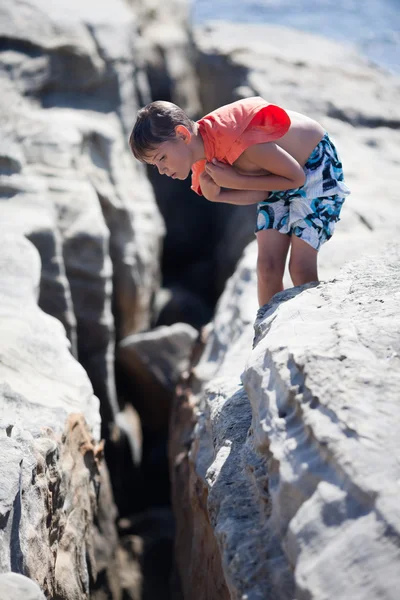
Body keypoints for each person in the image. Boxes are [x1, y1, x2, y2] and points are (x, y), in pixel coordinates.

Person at [129, 96, 350, 307]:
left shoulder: (237, 138)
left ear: (182, 135)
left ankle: (312, 326)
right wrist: (218, 195)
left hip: (314, 167)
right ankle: (268, 334)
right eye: (155, 165)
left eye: (161, 159)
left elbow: (296, 178)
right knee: (267, 268)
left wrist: (235, 179)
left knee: (299, 268)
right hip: (279, 180)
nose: (162, 170)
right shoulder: (201, 158)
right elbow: (263, 193)